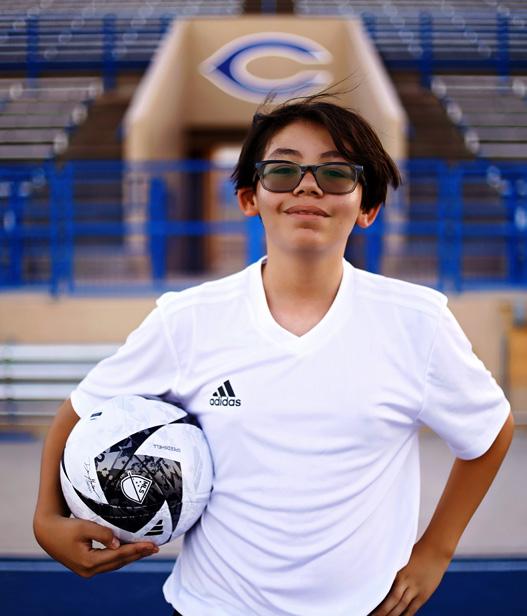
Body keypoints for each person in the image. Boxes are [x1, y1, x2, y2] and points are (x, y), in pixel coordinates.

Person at [34, 94, 514, 616]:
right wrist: (46, 519)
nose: (307, 185)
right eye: (283, 171)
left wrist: (435, 551)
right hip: (212, 607)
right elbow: (80, 410)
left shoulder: (417, 322)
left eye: (336, 173)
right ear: (249, 197)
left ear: (368, 208)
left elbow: (490, 430)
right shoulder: (187, 320)